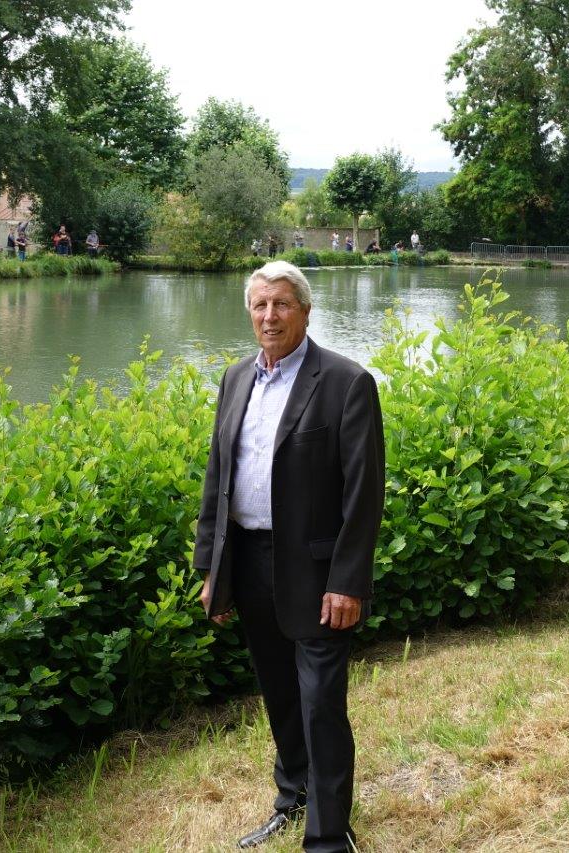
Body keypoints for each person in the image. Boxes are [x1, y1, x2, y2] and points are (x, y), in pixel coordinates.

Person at [193, 260, 384, 853]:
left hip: (319, 572)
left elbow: (364, 493)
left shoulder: (346, 382)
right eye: (259, 305)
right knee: (278, 692)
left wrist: (348, 581)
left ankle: (328, 837)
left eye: (281, 305)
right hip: (249, 561)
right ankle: (293, 796)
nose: (268, 316)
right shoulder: (234, 379)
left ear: (305, 310)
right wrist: (212, 571)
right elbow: (218, 477)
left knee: (321, 699)